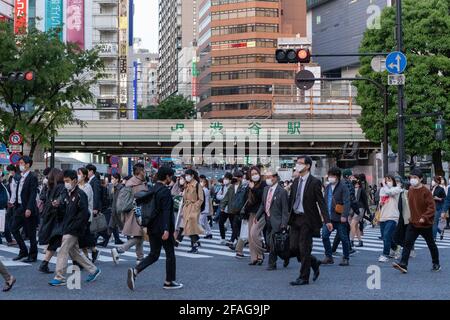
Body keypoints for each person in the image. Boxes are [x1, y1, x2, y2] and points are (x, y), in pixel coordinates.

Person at [127, 167, 183, 290]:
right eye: (170, 177)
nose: (171, 179)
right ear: (167, 177)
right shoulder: (165, 191)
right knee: (170, 254)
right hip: (163, 228)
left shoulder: (152, 189)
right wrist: (167, 229)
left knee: (154, 254)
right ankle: (169, 281)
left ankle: (135, 270)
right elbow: (166, 212)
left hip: (151, 227)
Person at [49, 170, 101, 286]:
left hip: (74, 228)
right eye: (64, 181)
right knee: (75, 253)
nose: (66, 183)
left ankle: (60, 276)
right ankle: (93, 270)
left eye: (67, 181)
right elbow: (64, 211)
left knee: (63, 250)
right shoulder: (66, 192)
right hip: (68, 226)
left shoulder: (80, 194)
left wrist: (75, 226)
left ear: (74, 181)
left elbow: (85, 214)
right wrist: (57, 205)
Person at [288, 156, 332, 286]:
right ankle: (313, 262)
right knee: (293, 248)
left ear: (307, 166)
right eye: (297, 163)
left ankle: (303, 277)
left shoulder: (314, 182)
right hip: (295, 218)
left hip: (308, 219)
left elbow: (321, 202)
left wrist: (327, 220)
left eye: (300, 163)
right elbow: (291, 201)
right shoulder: (296, 181)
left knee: (304, 248)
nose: (298, 165)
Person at [393, 169, 440, 274]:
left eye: (415, 177)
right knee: (407, 243)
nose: (412, 180)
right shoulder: (410, 190)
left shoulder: (426, 191)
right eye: (411, 177)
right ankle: (403, 264)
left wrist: (424, 217)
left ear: (421, 179)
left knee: (431, 244)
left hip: (425, 224)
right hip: (413, 222)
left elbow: (431, 207)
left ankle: (436, 263)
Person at [111, 163, 147, 264]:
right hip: (136, 213)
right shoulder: (136, 184)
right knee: (139, 235)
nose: (145, 173)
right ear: (140, 171)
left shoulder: (132, 182)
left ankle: (140, 258)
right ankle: (119, 249)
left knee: (139, 235)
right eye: (143, 171)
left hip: (132, 213)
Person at [256, 170, 289, 270]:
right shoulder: (266, 189)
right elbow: (263, 204)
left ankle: (272, 263)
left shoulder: (282, 191)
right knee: (269, 243)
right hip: (267, 219)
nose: (267, 179)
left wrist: (284, 223)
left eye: (269, 177)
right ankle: (286, 256)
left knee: (273, 242)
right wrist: (257, 216)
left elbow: (285, 209)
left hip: (277, 221)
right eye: (266, 177)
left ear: (275, 178)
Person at [10, 156, 39, 262]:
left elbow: (32, 193)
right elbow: (16, 191)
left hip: (28, 208)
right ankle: (23, 251)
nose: (20, 165)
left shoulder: (32, 177)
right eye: (19, 163)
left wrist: (29, 208)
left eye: (22, 163)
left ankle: (33, 255)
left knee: (31, 233)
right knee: (13, 228)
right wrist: (12, 202)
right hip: (19, 207)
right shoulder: (19, 176)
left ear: (27, 164)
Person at [321, 167, 351, 266]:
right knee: (325, 236)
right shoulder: (328, 187)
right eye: (329, 176)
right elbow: (325, 201)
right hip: (329, 218)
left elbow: (347, 202)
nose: (330, 178)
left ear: (337, 176)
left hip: (339, 218)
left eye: (332, 176)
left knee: (343, 238)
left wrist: (344, 215)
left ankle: (346, 257)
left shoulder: (343, 186)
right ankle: (329, 256)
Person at [38, 168, 66, 274]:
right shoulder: (60, 187)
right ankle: (79, 264)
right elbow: (61, 201)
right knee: (61, 241)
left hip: (50, 217)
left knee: (66, 242)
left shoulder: (50, 187)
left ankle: (44, 264)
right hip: (58, 218)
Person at [219, 171, 247, 250]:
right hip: (232, 209)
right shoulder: (231, 187)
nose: (236, 178)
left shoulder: (243, 187)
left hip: (240, 209)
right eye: (235, 176)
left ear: (241, 178)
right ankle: (236, 240)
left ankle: (234, 240)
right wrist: (223, 206)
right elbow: (226, 197)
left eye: (237, 177)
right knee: (235, 225)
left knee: (236, 225)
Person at [77, 167, 99, 263]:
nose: (78, 175)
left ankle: (93, 251)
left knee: (84, 237)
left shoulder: (87, 187)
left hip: (86, 216)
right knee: (82, 238)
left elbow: (83, 201)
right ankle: (88, 256)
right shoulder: (77, 186)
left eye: (79, 173)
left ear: (84, 175)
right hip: (78, 216)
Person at [377, 175, 402, 262]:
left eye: (389, 180)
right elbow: (381, 201)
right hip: (383, 216)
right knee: (385, 236)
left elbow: (389, 192)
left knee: (387, 235)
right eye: (386, 180)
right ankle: (395, 247)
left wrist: (384, 185)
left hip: (393, 216)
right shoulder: (382, 189)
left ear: (393, 181)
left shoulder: (397, 189)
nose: (387, 182)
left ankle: (385, 254)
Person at [180, 169, 204, 254]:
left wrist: (195, 207)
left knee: (191, 227)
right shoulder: (187, 184)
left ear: (192, 175)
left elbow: (201, 199)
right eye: (186, 175)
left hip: (193, 209)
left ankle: (195, 245)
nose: (186, 177)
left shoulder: (197, 185)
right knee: (189, 228)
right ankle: (195, 244)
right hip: (186, 208)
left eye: (188, 175)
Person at [246, 167, 266, 265]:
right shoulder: (249, 184)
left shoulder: (264, 184)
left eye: (256, 173)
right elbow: (248, 200)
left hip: (261, 212)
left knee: (254, 233)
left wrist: (253, 188)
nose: (254, 175)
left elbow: (262, 197)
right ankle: (254, 258)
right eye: (252, 174)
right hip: (251, 212)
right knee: (250, 236)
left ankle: (261, 253)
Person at [350, 179, 368, 247]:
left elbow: (365, 200)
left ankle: (351, 241)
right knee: (355, 226)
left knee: (352, 224)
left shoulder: (361, 190)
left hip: (360, 208)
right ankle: (360, 241)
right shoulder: (352, 189)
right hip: (355, 209)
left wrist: (368, 211)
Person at [217, 173, 232, 242]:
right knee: (220, 222)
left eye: (226, 179)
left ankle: (235, 238)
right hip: (224, 208)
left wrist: (224, 197)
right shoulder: (223, 187)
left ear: (230, 180)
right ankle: (223, 237)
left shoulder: (232, 187)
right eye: (224, 179)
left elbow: (231, 198)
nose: (225, 180)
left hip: (231, 209)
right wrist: (224, 197)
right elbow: (218, 196)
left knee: (233, 225)